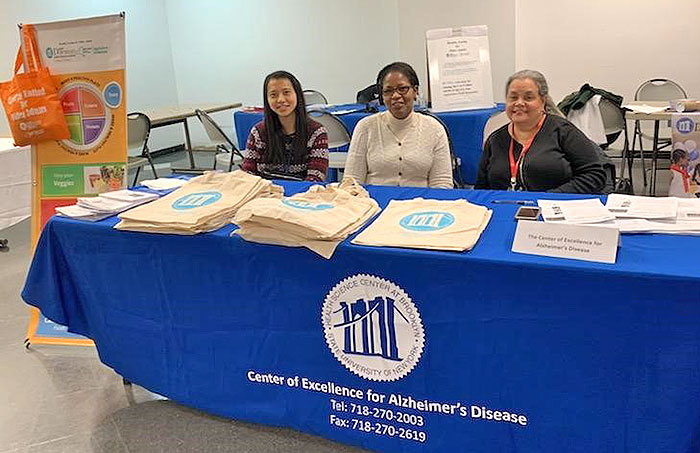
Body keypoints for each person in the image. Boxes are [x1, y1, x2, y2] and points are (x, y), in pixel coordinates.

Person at [476, 70, 606, 193]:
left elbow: (594, 176)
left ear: (543, 101)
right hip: (505, 208)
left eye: (528, 98)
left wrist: (550, 197)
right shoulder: (495, 140)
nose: (519, 103)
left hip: (554, 208)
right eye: (513, 98)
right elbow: (482, 188)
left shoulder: (563, 132)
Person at [343, 62, 453, 188]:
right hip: (374, 203)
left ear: (415, 91)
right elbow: (351, 182)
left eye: (402, 89)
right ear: (382, 97)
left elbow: (442, 183)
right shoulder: (365, 127)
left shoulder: (435, 129)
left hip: (420, 204)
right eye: (388, 91)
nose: (395, 96)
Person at [242, 71, 328, 182]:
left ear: (297, 94)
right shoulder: (258, 132)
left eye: (286, 92)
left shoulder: (317, 133)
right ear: (267, 100)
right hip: (265, 195)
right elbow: (247, 175)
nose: (281, 100)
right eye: (273, 95)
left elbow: (316, 178)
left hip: (303, 196)